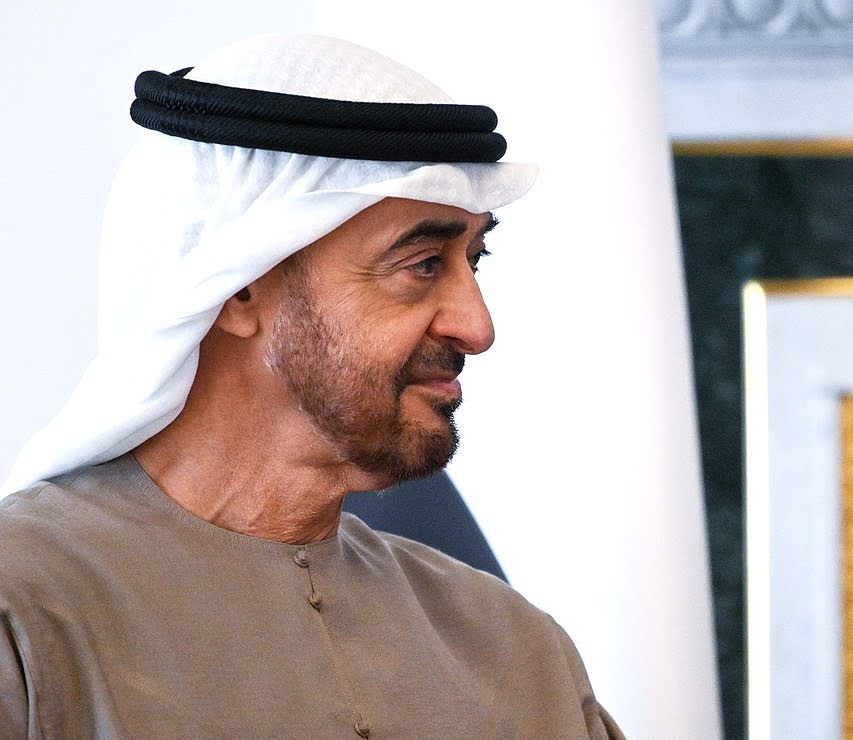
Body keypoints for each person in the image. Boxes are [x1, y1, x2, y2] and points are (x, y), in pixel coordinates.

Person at [0, 34, 623, 738]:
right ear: (240, 287)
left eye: (473, 261)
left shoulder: (516, 650)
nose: (477, 327)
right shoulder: (23, 615)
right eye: (422, 264)